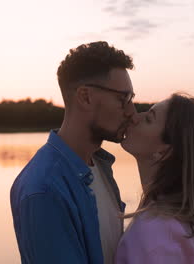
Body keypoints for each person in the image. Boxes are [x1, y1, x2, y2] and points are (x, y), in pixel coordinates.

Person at [10, 41, 138, 264]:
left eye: (131, 99)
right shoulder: (44, 189)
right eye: (123, 99)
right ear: (85, 97)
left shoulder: (99, 166)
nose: (132, 112)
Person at [116, 93, 194, 264]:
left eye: (149, 119)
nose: (135, 117)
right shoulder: (173, 227)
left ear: (164, 151)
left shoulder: (155, 234)